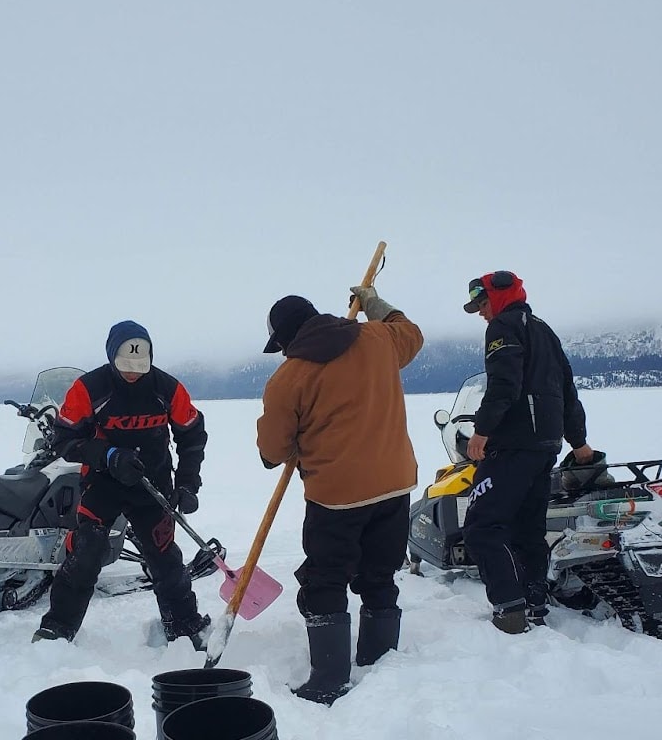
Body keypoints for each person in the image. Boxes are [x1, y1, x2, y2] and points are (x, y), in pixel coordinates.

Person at [255, 285, 423, 704]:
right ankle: (380, 665)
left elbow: (272, 451)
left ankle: (328, 679)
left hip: (337, 496)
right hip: (394, 483)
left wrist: (293, 444)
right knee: (379, 574)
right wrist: (373, 303)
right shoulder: (379, 339)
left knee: (325, 580)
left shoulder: (288, 378)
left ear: (286, 338)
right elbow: (410, 332)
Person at [34, 321, 211, 647]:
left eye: (140, 366)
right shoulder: (88, 389)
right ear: (111, 357)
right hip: (102, 485)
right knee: (86, 552)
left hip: (152, 487)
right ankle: (57, 629)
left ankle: (184, 627)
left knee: (164, 558)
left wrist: (187, 485)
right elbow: (63, 442)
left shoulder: (167, 389)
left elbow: (192, 435)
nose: (133, 373)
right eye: (125, 365)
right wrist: (108, 454)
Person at [461, 270, 600, 634]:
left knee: (482, 527)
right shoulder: (543, 329)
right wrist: (578, 441)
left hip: (514, 446)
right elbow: (567, 388)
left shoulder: (504, 327)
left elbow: (505, 384)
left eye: (483, 303)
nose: (481, 313)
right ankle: (534, 603)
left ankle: (510, 610)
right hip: (544, 447)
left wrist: (483, 431)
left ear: (500, 296)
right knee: (527, 529)